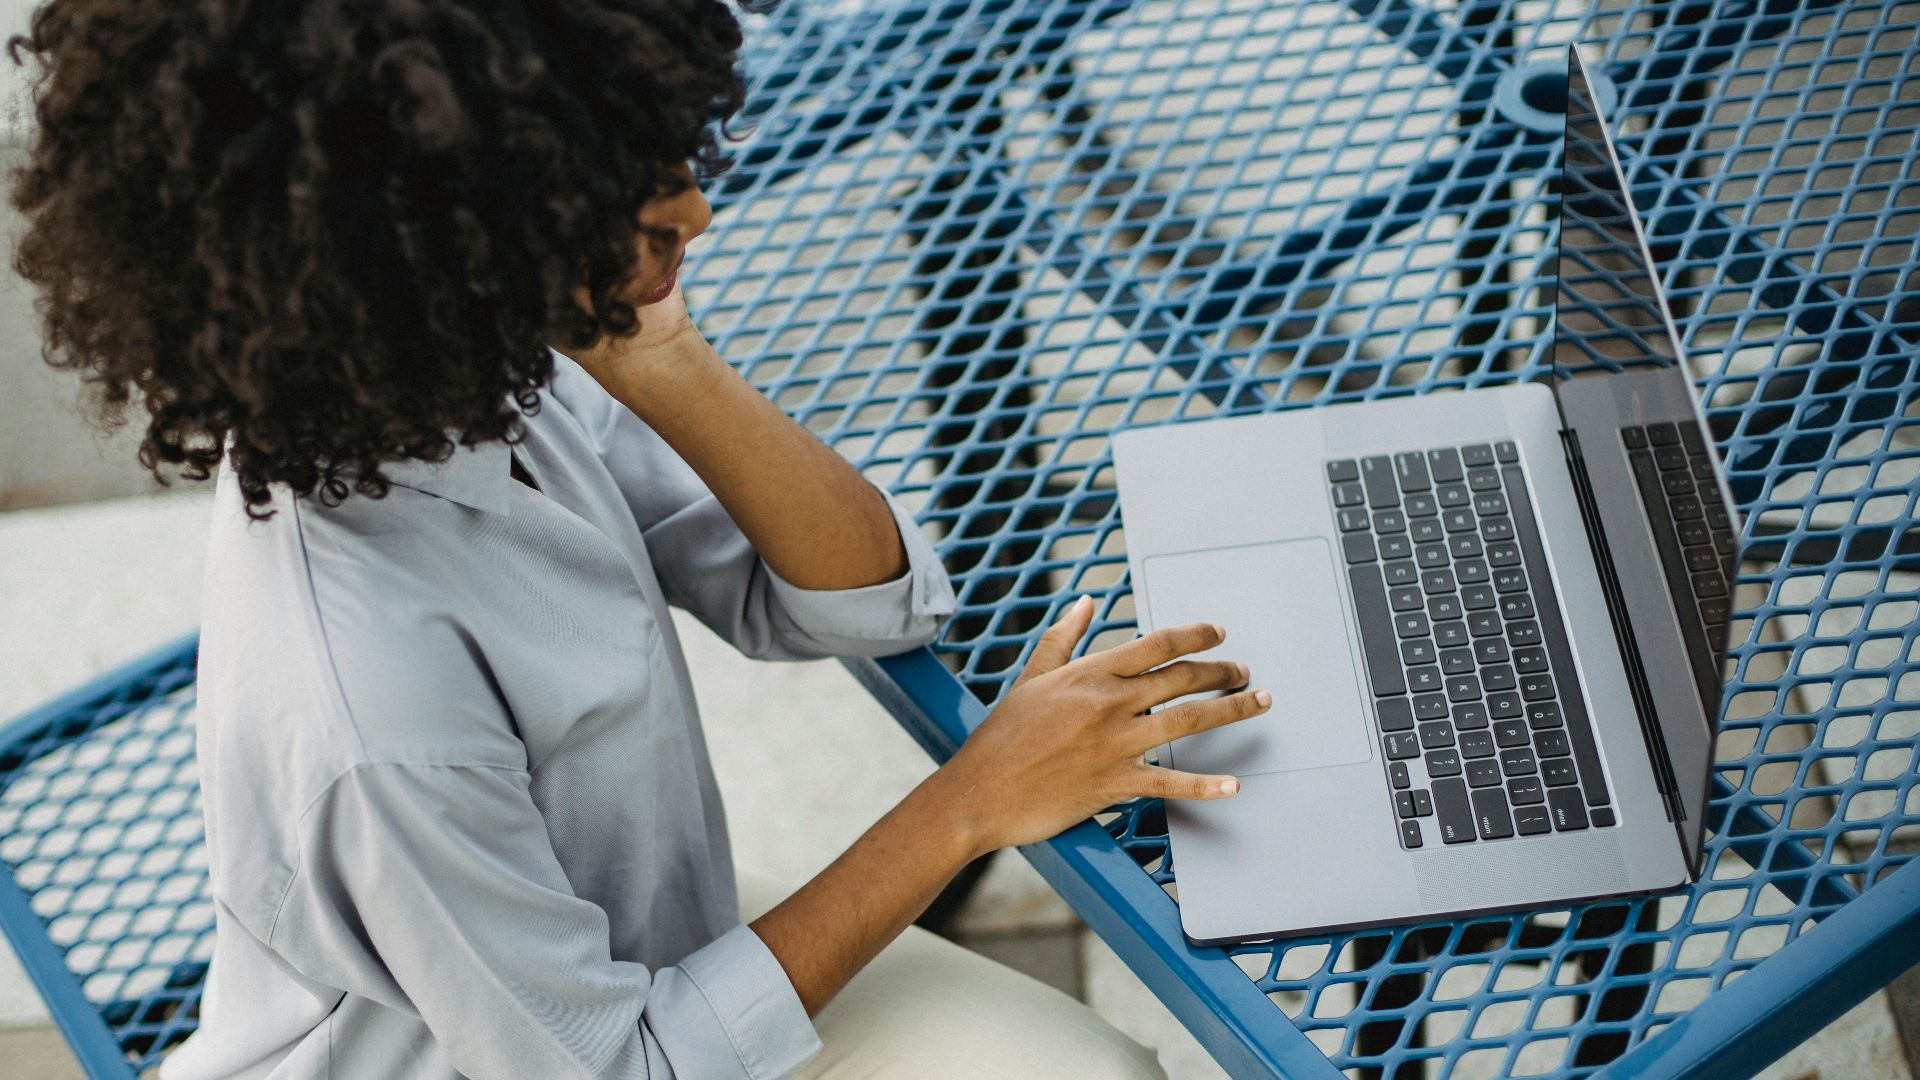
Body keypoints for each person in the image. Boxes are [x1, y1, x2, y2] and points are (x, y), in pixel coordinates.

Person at [9, 1, 1269, 1076]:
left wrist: (658, 349)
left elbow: (860, 600)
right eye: (622, 196)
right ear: (444, 256)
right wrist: (968, 806)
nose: (700, 209)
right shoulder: (377, 716)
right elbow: (631, 1066)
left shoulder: (459, 379)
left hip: (632, 954)